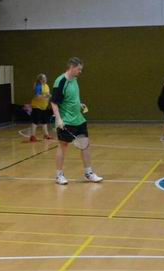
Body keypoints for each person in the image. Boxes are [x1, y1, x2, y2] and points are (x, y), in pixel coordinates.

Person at [50, 57, 103, 185]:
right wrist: (58, 119)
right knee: (63, 146)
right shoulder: (60, 81)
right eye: (79, 69)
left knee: (85, 145)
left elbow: (71, 97)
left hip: (79, 119)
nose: (80, 71)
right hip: (66, 121)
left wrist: (79, 104)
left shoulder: (74, 79)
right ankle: (59, 175)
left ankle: (88, 173)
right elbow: (54, 102)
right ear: (72, 67)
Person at [20, 73, 53, 142]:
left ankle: (46, 135)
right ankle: (32, 136)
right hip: (37, 106)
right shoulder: (38, 86)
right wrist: (45, 96)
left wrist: (49, 96)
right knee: (35, 121)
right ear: (40, 80)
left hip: (44, 106)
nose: (45, 79)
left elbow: (47, 94)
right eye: (43, 78)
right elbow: (37, 96)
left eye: (45, 78)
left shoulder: (46, 86)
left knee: (44, 121)